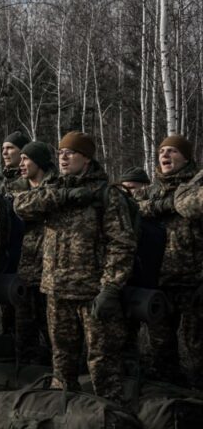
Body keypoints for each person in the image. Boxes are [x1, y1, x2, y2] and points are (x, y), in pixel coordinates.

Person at [12, 131, 137, 401]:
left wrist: (111, 288)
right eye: (60, 153)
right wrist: (64, 196)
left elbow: (122, 244)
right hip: (56, 290)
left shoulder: (107, 194)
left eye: (71, 153)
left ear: (87, 159)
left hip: (92, 292)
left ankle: (109, 416)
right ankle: (65, 416)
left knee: (102, 363)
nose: (64, 157)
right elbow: (22, 206)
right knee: (62, 361)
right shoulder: (56, 188)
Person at [138, 135, 203, 386]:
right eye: (162, 151)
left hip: (194, 282)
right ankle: (169, 400)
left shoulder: (196, 185)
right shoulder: (153, 189)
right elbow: (134, 206)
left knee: (198, 347)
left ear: (186, 157)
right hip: (160, 281)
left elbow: (193, 206)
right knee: (161, 346)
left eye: (173, 151)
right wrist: (165, 205)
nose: (165, 155)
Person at [10, 141, 56, 364]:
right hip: (25, 267)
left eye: (26, 159)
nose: (21, 164)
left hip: (53, 270)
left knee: (53, 327)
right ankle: (27, 371)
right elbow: (17, 207)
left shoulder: (57, 184)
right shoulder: (16, 186)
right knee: (24, 324)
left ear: (39, 161)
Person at [0, 131, 31, 197]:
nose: (4, 153)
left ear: (23, 151)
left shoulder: (34, 180)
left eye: (9, 148)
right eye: (3, 148)